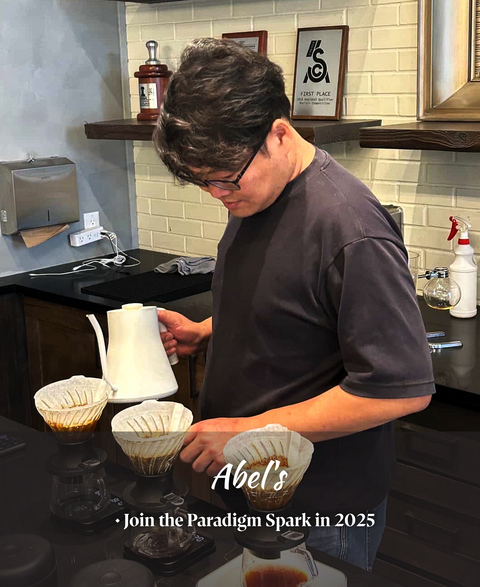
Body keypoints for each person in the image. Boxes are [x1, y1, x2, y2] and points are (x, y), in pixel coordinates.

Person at [152, 38, 434, 571]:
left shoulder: (351, 230)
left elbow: (401, 389)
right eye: (203, 182)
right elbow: (287, 299)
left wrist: (248, 432)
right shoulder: (256, 190)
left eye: (224, 179)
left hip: (318, 511)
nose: (217, 194)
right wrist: (208, 330)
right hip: (252, 486)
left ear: (279, 134)